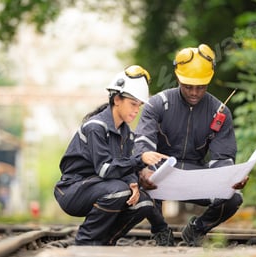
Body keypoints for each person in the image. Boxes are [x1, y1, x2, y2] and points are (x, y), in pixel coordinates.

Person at [134, 43, 249, 246]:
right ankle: (160, 230)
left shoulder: (219, 112)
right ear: (178, 78)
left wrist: (231, 177)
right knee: (139, 177)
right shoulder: (157, 104)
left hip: (197, 174)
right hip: (161, 174)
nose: (194, 92)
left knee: (234, 197)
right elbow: (143, 143)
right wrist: (144, 169)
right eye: (188, 86)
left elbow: (222, 158)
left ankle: (197, 230)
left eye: (201, 87)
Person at [54, 65, 175, 246]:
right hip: (73, 190)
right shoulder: (96, 127)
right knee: (118, 191)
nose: (136, 110)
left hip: (102, 187)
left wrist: (133, 184)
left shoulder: (126, 133)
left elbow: (123, 167)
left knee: (144, 202)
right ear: (117, 99)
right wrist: (140, 159)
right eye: (133, 104)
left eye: (139, 106)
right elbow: (105, 169)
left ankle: (105, 242)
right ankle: (84, 242)